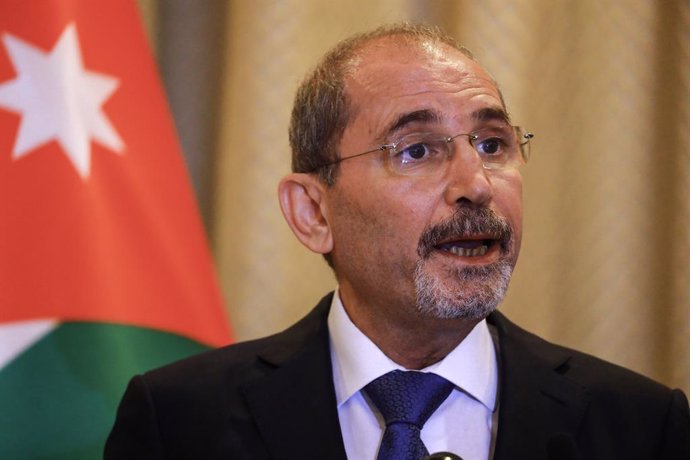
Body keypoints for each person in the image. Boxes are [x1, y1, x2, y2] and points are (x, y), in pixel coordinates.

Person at [105, 23, 690, 460]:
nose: (475, 186)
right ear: (312, 212)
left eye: (492, 144)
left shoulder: (643, 427)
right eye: (417, 150)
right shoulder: (178, 424)